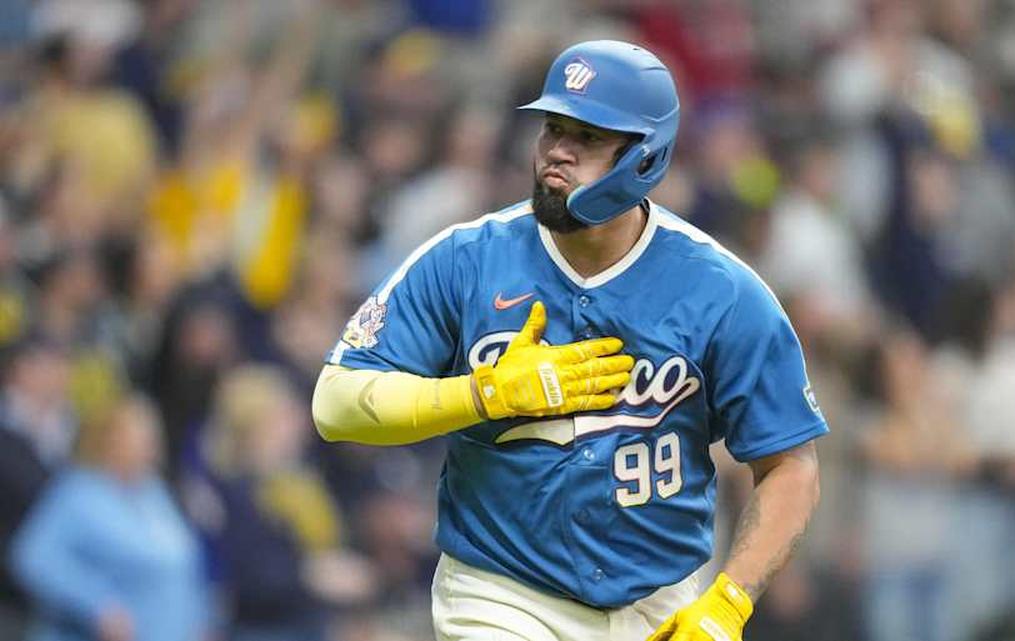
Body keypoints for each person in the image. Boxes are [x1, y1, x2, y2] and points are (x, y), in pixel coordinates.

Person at [312, 40, 827, 641]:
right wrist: (480, 395)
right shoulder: (468, 259)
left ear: (645, 156)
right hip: (501, 593)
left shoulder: (723, 291)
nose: (557, 150)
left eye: (586, 135)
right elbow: (335, 403)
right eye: (553, 128)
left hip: (660, 600)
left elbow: (791, 464)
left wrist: (728, 604)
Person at [9, 394, 209, 641]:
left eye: (153, 436)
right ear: (111, 439)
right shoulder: (79, 493)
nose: (152, 446)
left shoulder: (152, 492)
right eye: (141, 437)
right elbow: (33, 558)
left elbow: (181, 564)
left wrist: (200, 617)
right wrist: (97, 604)